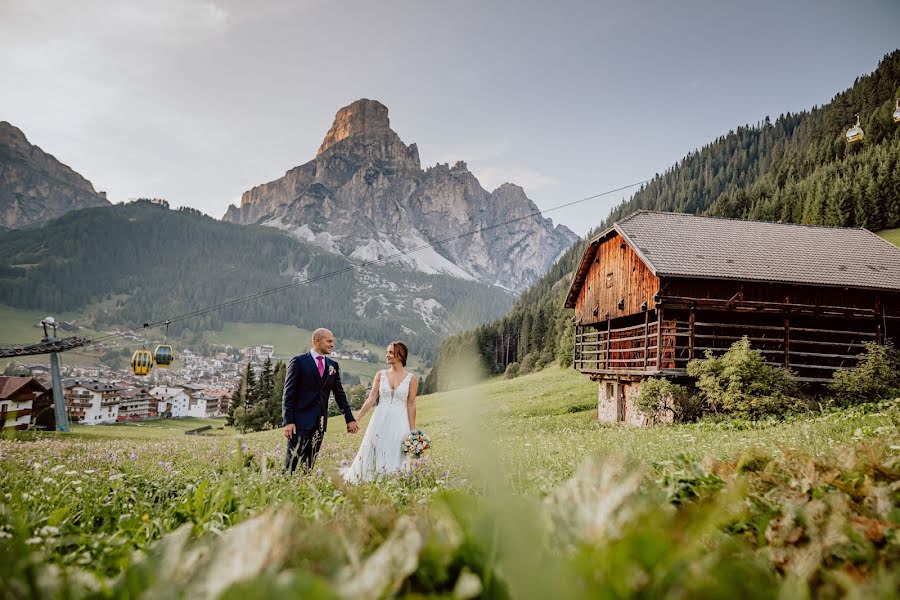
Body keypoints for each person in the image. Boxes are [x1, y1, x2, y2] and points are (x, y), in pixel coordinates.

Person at [282, 328, 359, 473]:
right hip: (299, 422)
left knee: (309, 465)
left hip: (320, 423)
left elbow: (339, 394)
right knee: (291, 463)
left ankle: (304, 490)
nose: (332, 345)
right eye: (329, 341)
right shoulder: (298, 362)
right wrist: (288, 421)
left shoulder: (333, 366)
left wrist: (349, 419)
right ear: (317, 340)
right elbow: (288, 393)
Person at [342, 341, 418, 483]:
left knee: (396, 448)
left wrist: (412, 431)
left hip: (400, 420)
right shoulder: (380, 374)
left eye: (390, 352)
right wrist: (357, 418)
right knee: (373, 447)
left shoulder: (411, 378)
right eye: (387, 352)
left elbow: (411, 404)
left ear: (400, 355)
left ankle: (394, 478)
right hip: (380, 418)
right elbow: (371, 398)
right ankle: (368, 477)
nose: (387, 355)